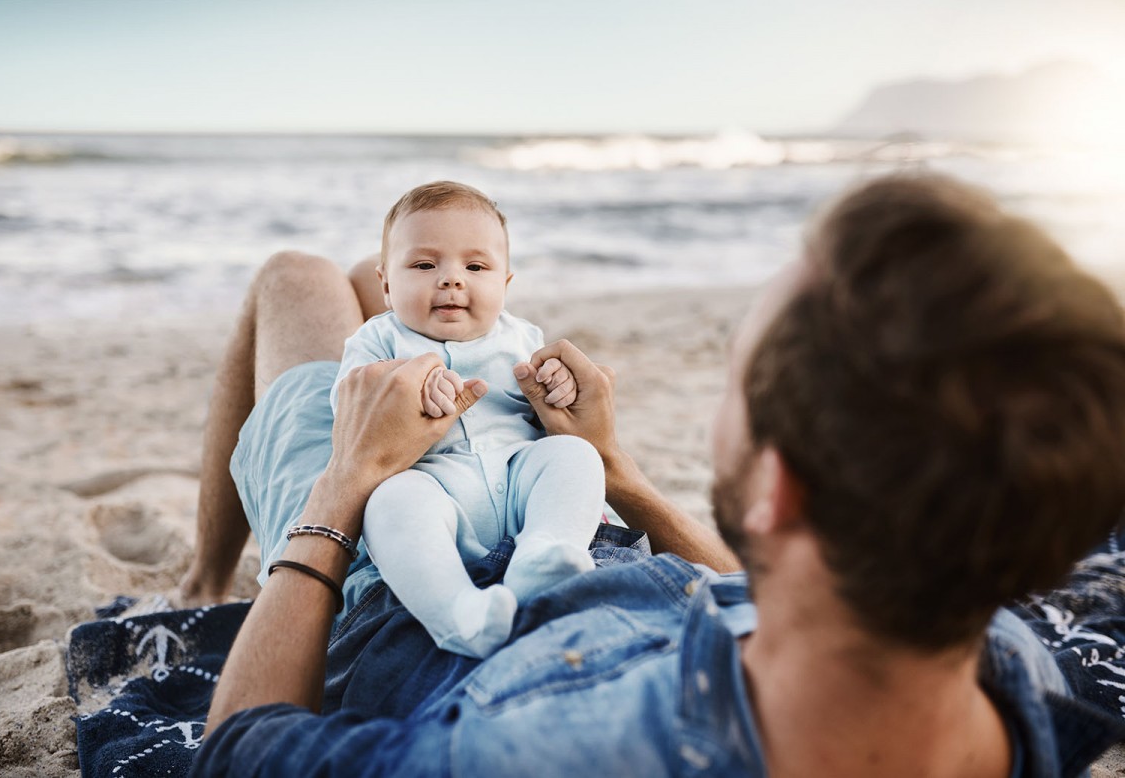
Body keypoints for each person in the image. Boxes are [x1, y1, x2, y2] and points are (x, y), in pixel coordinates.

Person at [183, 173, 1125, 776]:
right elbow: (781, 595)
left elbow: (240, 753)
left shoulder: (567, 751)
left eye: (735, 375)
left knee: (298, 276)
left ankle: (201, 579)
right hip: (549, 524)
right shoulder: (999, 662)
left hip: (404, 581)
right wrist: (619, 474)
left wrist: (346, 483)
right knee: (377, 273)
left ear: (778, 489)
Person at [328, 181, 606, 658]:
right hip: (433, 486)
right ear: (387, 284)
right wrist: (405, 384)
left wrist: (558, 383)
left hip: (516, 478)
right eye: (423, 265)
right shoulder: (378, 339)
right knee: (392, 502)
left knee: (573, 455)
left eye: (475, 267)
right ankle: (458, 615)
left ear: (505, 283)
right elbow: (350, 407)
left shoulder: (522, 336)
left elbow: (547, 413)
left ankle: (543, 554)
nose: (451, 279)